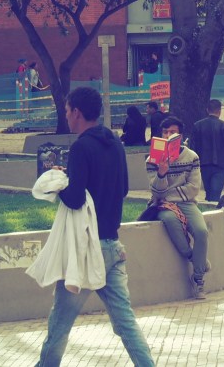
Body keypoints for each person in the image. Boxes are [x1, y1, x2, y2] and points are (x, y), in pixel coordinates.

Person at [35, 86, 154, 367]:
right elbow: (123, 189)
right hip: (113, 247)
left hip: (85, 251)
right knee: (125, 323)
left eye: (67, 111)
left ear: (76, 112)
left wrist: (58, 184)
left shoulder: (80, 147)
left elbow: (75, 199)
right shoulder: (115, 143)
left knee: (59, 325)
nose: (66, 116)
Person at [146, 115, 210, 299]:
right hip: (163, 206)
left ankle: (197, 278)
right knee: (170, 221)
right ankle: (196, 260)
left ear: (180, 136)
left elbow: (193, 188)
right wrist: (161, 173)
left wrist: (169, 195)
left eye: (172, 132)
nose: (168, 135)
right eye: (165, 132)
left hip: (186, 202)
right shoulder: (152, 159)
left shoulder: (192, 157)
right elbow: (156, 192)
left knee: (201, 231)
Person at [189, 99, 224, 204]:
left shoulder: (197, 125)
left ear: (207, 110)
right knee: (215, 194)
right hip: (220, 164)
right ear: (219, 111)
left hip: (204, 164)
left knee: (209, 191)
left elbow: (192, 147)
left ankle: (209, 206)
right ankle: (212, 209)